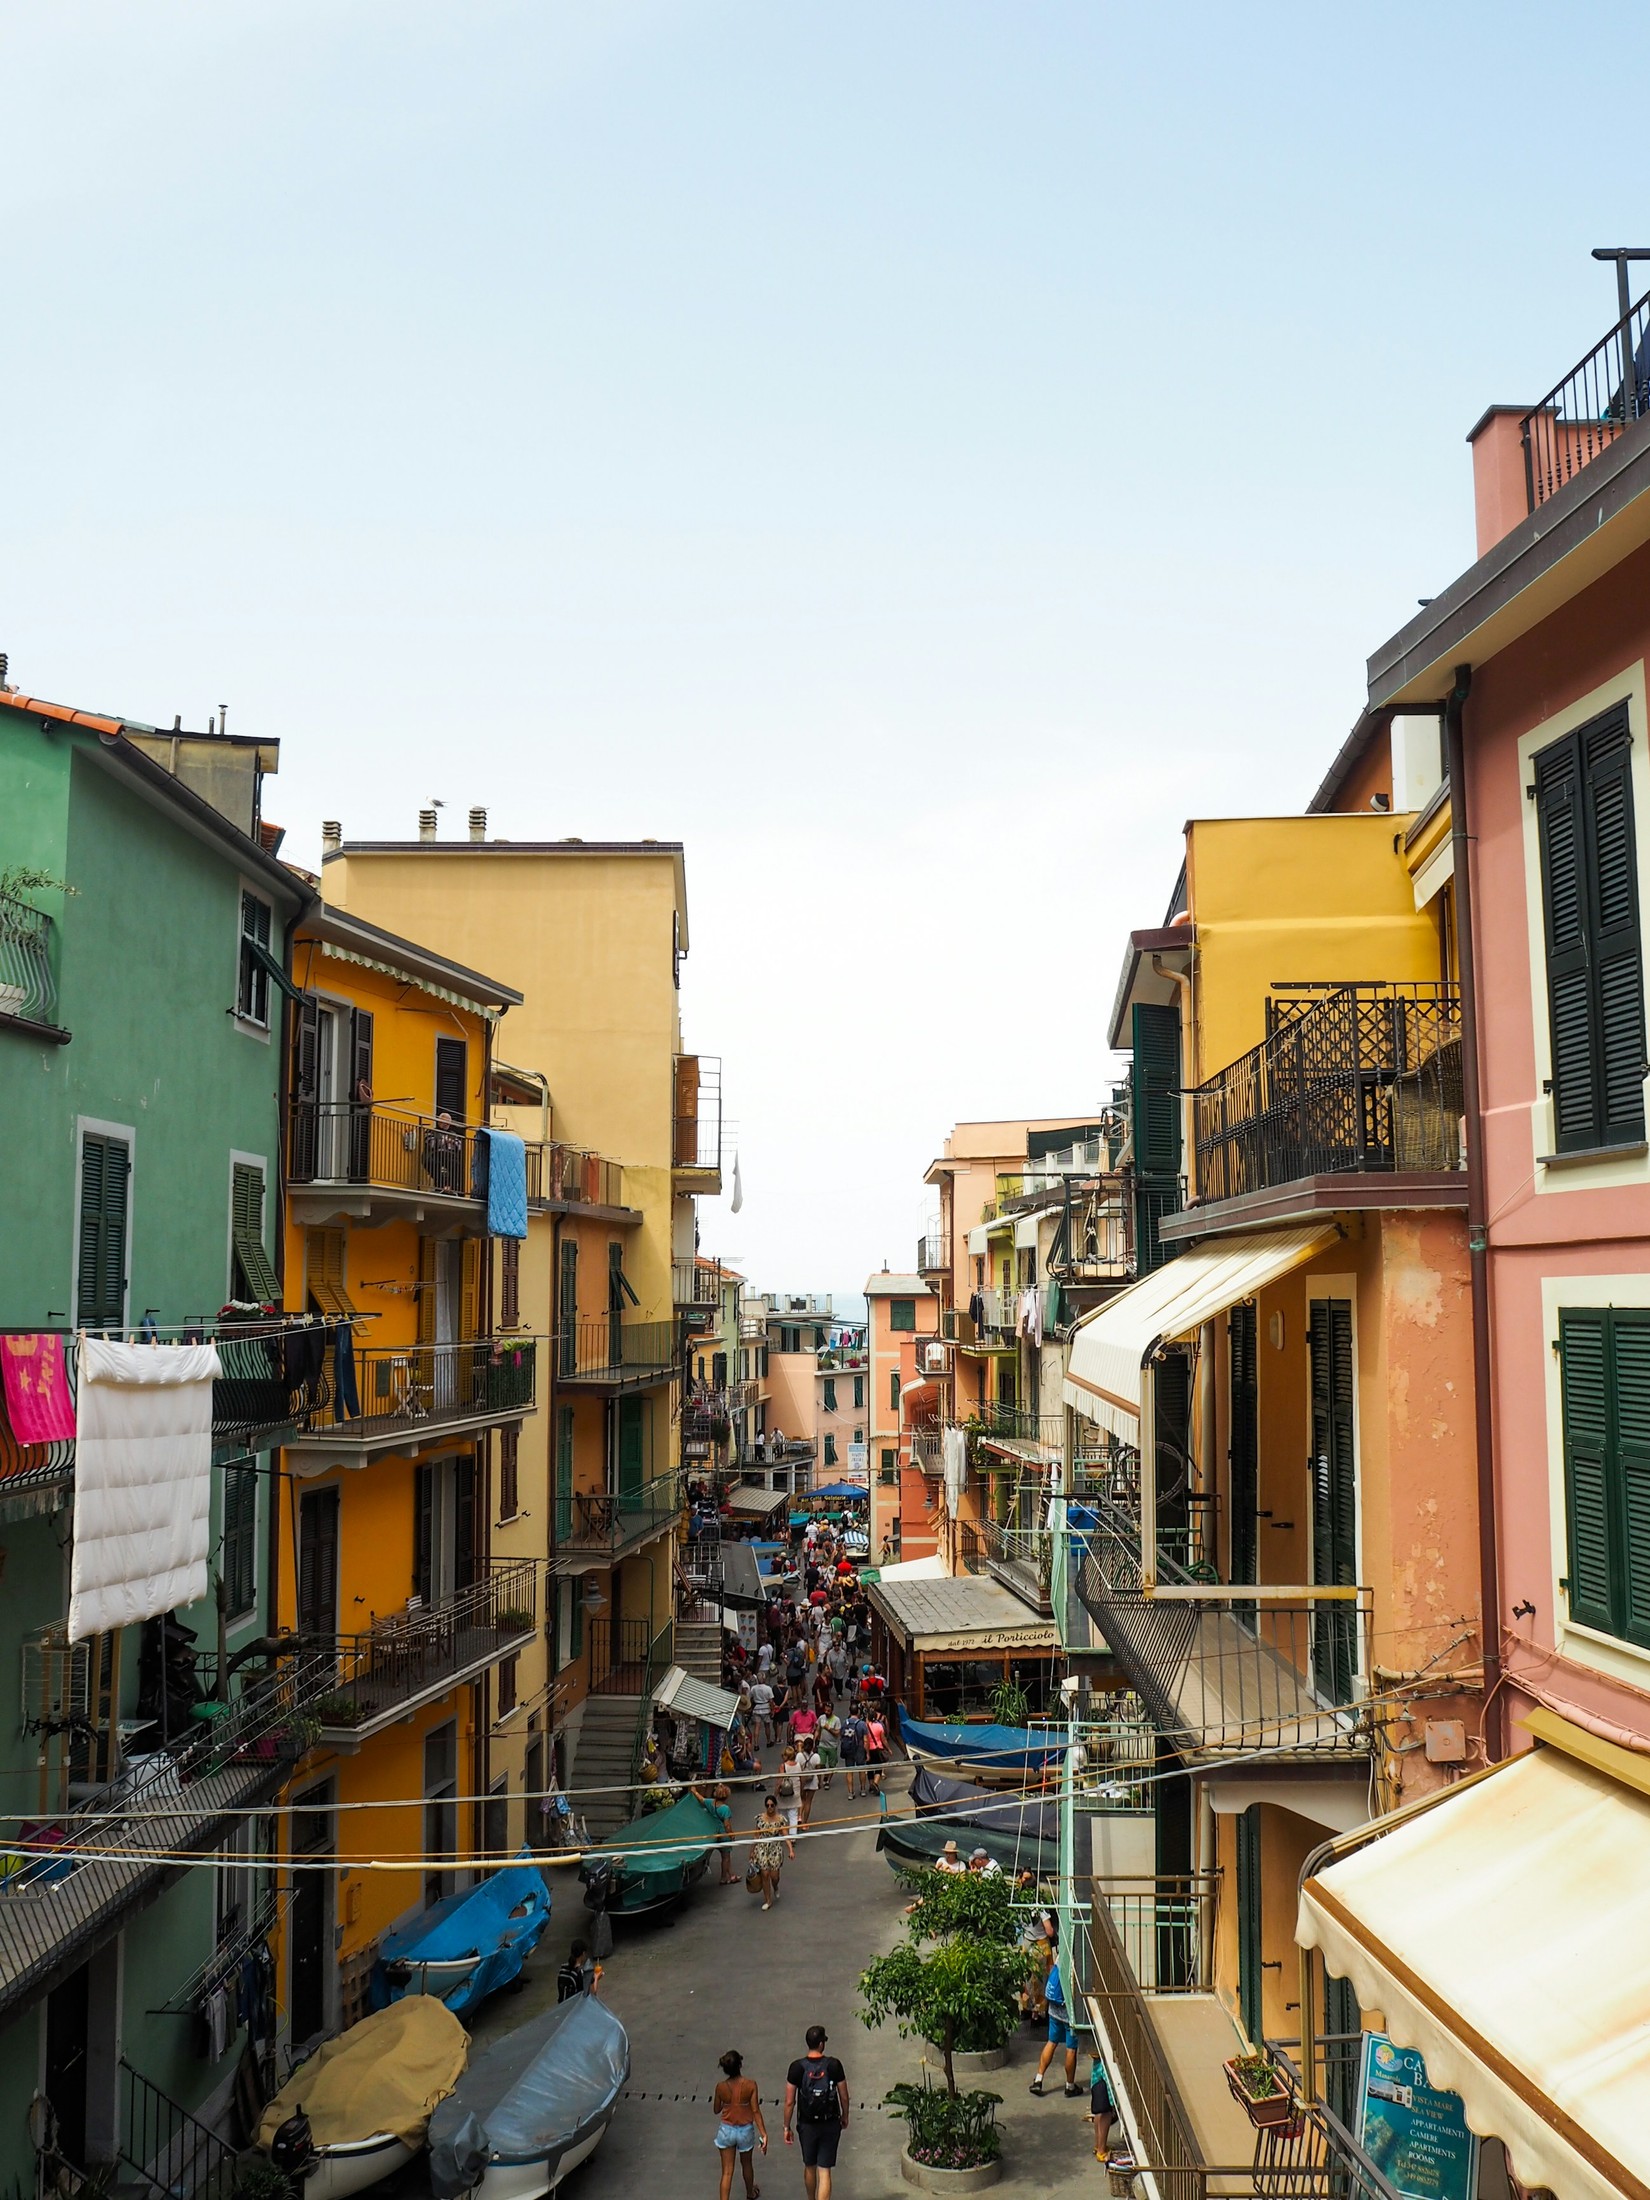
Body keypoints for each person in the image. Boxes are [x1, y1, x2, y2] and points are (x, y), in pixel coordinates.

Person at [784, 2025, 849, 2200]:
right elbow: (844, 2096)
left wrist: (786, 2127)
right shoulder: (834, 2065)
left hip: (807, 2124)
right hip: (830, 2122)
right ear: (821, 2044)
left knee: (809, 2165)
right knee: (825, 2170)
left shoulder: (797, 2067)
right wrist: (845, 2116)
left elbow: (790, 2101)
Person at [713, 2049, 768, 2200]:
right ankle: (750, 2193)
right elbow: (755, 2110)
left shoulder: (720, 2087)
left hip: (726, 2129)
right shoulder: (750, 2085)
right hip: (745, 2130)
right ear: (740, 2065)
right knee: (747, 2164)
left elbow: (716, 2110)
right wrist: (764, 2133)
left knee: (727, 2171)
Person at [1029, 1950, 1082, 2097]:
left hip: (1054, 2009)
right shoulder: (1080, 1960)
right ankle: (1070, 2086)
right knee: (1071, 2049)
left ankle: (1038, 2080)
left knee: (1051, 2042)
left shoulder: (1063, 1954)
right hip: (1069, 2012)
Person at [751, 1794, 787, 1910]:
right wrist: (752, 1851)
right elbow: (756, 1835)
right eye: (767, 1805)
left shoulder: (780, 1819)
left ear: (775, 1806)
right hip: (762, 1847)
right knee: (764, 1874)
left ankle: (775, 1886)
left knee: (774, 1876)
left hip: (775, 1848)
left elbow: (785, 1835)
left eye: (772, 1805)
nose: (769, 1807)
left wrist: (790, 1849)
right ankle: (768, 1900)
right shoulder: (760, 1819)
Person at [1091, 2052, 1120, 2162]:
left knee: (1099, 2111)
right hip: (1105, 2075)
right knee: (1105, 2112)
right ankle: (1101, 2150)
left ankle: (1098, 2145)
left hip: (1097, 2074)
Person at [778, 1744, 802, 1856]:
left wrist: (775, 1792)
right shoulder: (798, 1765)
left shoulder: (783, 1766)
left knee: (782, 1815)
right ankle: (793, 1838)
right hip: (795, 1792)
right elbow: (801, 1778)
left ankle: (783, 1834)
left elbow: (780, 1780)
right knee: (793, 1815)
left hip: (784, 1794)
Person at [840, 1706, 867, 1799]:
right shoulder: (862, 1724)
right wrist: (867, 1752)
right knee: (862, 1769)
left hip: (848, 1749)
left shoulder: (844, 1723)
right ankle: (863, 1789)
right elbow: (866, 1740)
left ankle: (850, 1792)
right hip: (859, 1749)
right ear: (858, 1712)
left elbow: (841, 1736)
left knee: (849, 1771)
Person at [796, 1741, 822, 1829]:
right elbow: (818, 1770)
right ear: (812, 1746)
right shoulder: (816, 1756)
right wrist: (819, 1781)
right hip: (812, 1780)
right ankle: (804, 1823)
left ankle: (799, 1816)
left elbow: (797, 1767)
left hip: (802, 1780)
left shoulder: (799, 1756)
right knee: (808, 1801)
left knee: (802, 1799)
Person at [816, 1708, 841, 1787]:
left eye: (828, 1711)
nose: (826, 1712)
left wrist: (829, 1728)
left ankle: (827, 1781)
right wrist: (815, 1739)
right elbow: (818, 1729)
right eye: (825, 1710)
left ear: (832, 1710)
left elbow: (837, 1733)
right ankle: (824, 1776)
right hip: (822, 1745)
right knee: (821, 1764)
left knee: (832, 1765)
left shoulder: (836, 1720)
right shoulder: (821, 1718)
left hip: (832, 1746)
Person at [750, 1676, 776, 1749]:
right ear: (764, 1679)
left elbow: (750, 1697)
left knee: (757, 1726)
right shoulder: (768, 1688)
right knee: (767, 1725)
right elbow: (771, 1701)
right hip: (765, 1708)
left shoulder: (753, 1688)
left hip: (757, 1708)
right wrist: (772, 1710)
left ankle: (756, 1744)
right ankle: (768, 1741)